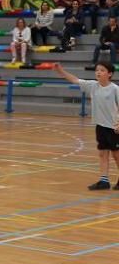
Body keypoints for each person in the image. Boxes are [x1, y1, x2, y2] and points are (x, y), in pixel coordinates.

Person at [53, 62, 119, 190]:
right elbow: (75, 80)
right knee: (102, 153)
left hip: (114, 128)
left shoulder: (115, 89)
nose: (98, 72)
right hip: (100, 126)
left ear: (109, 74)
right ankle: (104, 181)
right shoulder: (93, 86)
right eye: (97, 70)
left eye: (102, 70)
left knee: (116, 155)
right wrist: (61, 71)